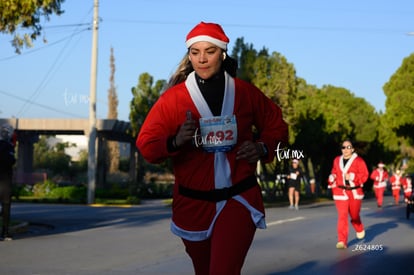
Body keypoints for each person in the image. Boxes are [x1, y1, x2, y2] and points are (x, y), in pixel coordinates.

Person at [136, 22, 288, 275]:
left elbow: (278, 127)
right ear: (189, 55)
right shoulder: (173, 99)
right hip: (192, 204)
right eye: (195, 53)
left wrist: (262, 148)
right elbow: (147, 144)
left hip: (238, 197)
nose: (202, 59)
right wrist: (175, 141)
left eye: (210, 51)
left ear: (223, 53)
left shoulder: (245, 93)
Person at [327, 139, 368, 249]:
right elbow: (334, 171)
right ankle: (342, 241)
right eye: (343, 147)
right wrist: (333, 176)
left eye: (348, 147)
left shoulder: (359, 161)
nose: (345, 149)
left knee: (354, 215)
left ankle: (358, 226)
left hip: (354, 191)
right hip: (340, 191)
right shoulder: (336, 160)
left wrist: (353, 177)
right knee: (342, 215)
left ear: (353, 149)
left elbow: (365, 175)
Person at [0, 123, 16, 241]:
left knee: (6, 207)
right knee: (6, 206)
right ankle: (5, 232)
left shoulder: (9, 146)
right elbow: (11, 160)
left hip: (5, 180)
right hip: (5, 180)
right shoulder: (9, 147)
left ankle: (5, 232)